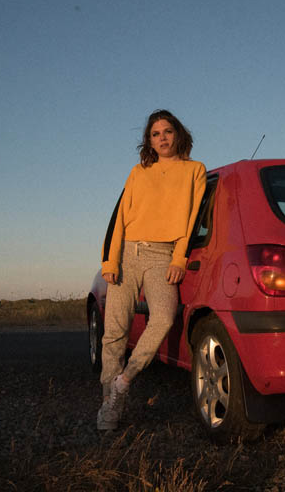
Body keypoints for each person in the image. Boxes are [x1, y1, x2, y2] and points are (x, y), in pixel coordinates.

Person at [97, 109, 206, 431]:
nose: (162, 138)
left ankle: (125, 379)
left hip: (163, 255)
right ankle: (110, 406)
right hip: (128, 253)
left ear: (178, 134)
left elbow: (193, 220)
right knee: (114, 332)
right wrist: (110, 261)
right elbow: (120, 218)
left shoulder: (195, 170)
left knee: (164, 317)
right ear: (149, 140)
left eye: (167, 131)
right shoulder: (138, 172)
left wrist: (179, 259)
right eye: (156, 134)